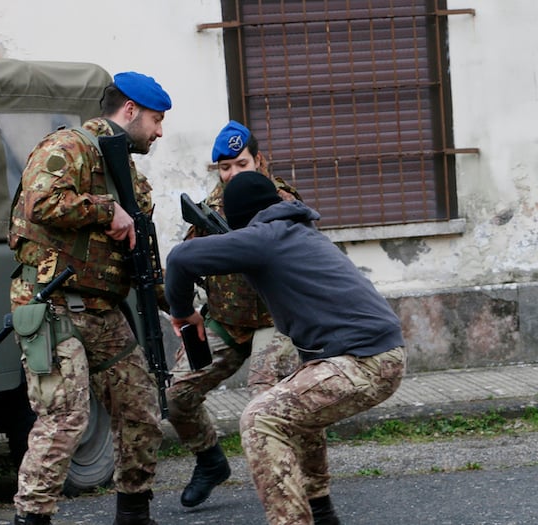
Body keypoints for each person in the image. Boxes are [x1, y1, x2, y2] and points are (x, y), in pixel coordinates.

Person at [164, 171, 407, 525]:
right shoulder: (298, 231)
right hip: (373, 354)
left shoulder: (267, 238)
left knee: (261, 419)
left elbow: (180, 259)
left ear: (239, 220)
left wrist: (184, 314)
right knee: (299, 415)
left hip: (364, 360)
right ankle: (322, 513)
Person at [7, 71, 172, 525]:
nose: (160, 132)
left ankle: (134, 513)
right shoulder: (70, 147)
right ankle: (32, 517)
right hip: (51, 304)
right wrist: (105, 209)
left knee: (141, 409)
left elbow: (142, 257)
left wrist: (177, 308)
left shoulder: (130, 177)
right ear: (130, 110)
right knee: (66, 416)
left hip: (102, 309)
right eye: (157, 120)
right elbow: (39, 204)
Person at [165, 120, 301, 508]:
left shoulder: (281, 201)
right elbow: (186, 261)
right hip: (224, 319)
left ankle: (285, 485)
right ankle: (210, 462)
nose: (233, 174)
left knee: (265, 404)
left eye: (241, 164)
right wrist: (182, 311)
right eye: (225, 168)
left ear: (259, 160)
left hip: (273, 320)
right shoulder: (208, 209)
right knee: (177, 395)